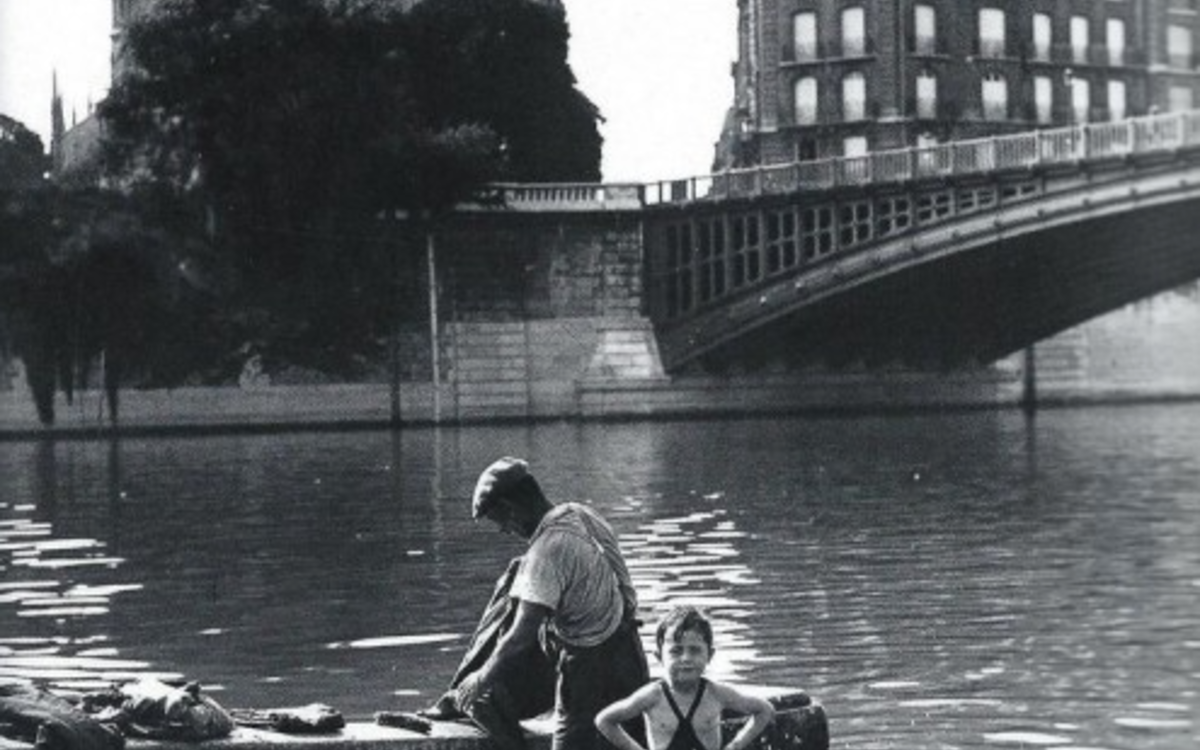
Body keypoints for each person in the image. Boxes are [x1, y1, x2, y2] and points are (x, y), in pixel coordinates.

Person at [454, 457, 650, 750]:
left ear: (511, 509)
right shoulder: (581, 514)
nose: (505, 531)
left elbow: (521, 637)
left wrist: (480, 679)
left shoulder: (546, 552)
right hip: (631, 659)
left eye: (501, 522)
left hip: (588, 668)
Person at [595, 607, 774, 750]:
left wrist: (735, 746)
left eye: (695, 650)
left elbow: (764, 710)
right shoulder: (652, 696)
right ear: (659, 657)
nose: (686, 658)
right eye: (676, 651)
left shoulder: (717, 693)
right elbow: (604, 720)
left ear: (710, 655)